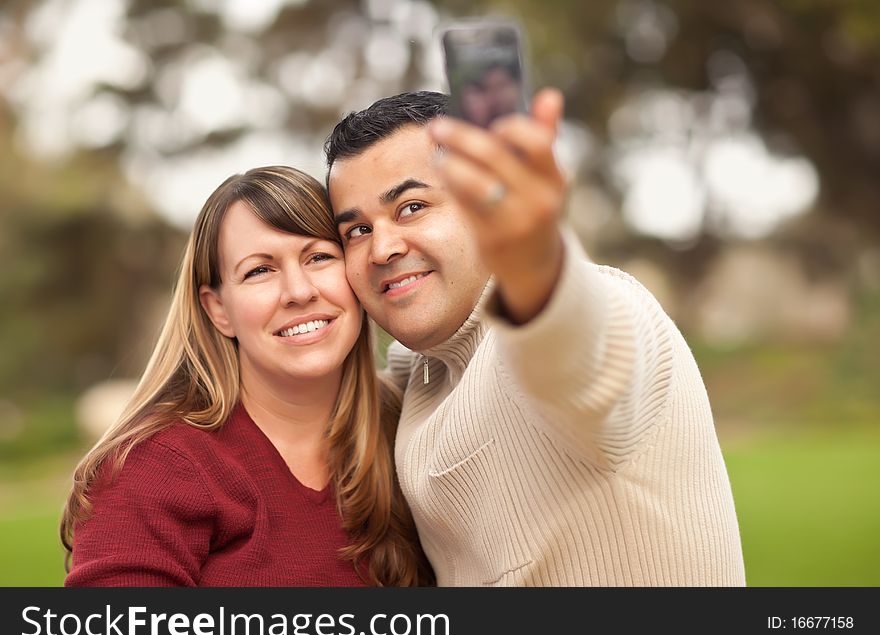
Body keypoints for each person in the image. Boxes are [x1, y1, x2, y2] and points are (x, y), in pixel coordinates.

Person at [324, 90, 746, 586]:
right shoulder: (423, 369)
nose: (382, 248)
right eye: (355, 231)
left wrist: (538, 263)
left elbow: (583, 355)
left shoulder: (599, 307)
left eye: (412, 207)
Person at [61, 166, 433, 587]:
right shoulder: (158, 465)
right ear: (218, 309)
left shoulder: (407, 429)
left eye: (319, 257)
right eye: (259, 270)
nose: (299, 291)